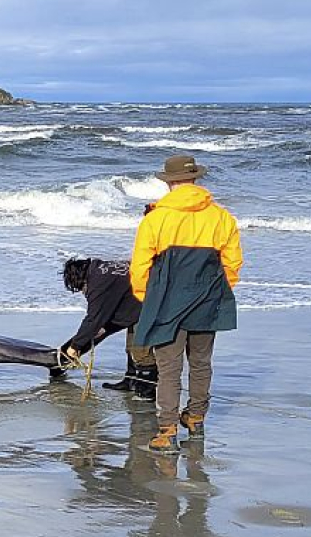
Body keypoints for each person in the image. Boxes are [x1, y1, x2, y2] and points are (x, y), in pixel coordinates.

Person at [131, 155, 242, 454]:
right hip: (208, 299)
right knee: (201, 363)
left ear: (169, 183)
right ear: (195, 181)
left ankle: (167, 432)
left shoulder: (156, 218)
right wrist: (217, 291)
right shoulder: (222, 217)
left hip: (167, 301)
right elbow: (233, 264)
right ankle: (196, 418)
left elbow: (139, 266)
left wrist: (146, 297)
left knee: (168, 368)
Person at [59, 257, 156, 399]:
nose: (82, 292)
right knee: (131, 347)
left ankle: (147, 391)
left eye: (80, 288)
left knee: (141, 351)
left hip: (150, 302)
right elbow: (102, 317)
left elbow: (94, 319)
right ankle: (130, 381)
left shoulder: (99, 282)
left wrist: (75, 346)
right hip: (138, 300)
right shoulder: (100, 270)